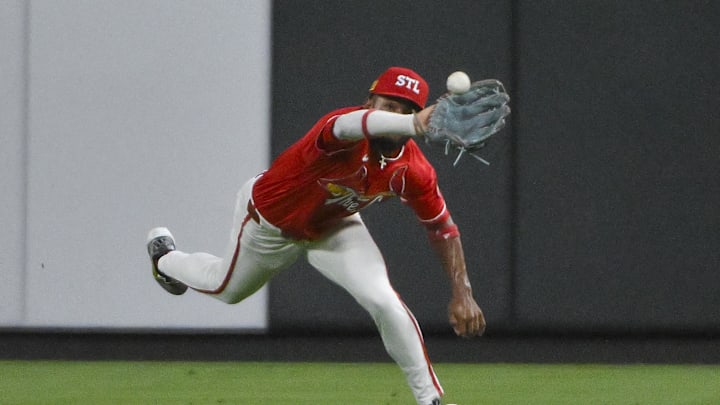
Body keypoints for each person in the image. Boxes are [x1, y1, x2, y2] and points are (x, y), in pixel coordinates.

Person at [146, 66, 486, 405]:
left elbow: (441, 226)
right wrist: (412, 123)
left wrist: (462, 291)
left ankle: (430, 400)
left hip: (334, 225)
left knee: (383, 299)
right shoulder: (341, 129)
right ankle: (165, 259)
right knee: (226, 288)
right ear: (369, 102)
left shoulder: (414, 170)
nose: (396, 115)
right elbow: (357, 124)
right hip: (270, 223)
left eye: (407, 109)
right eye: (388, 106)